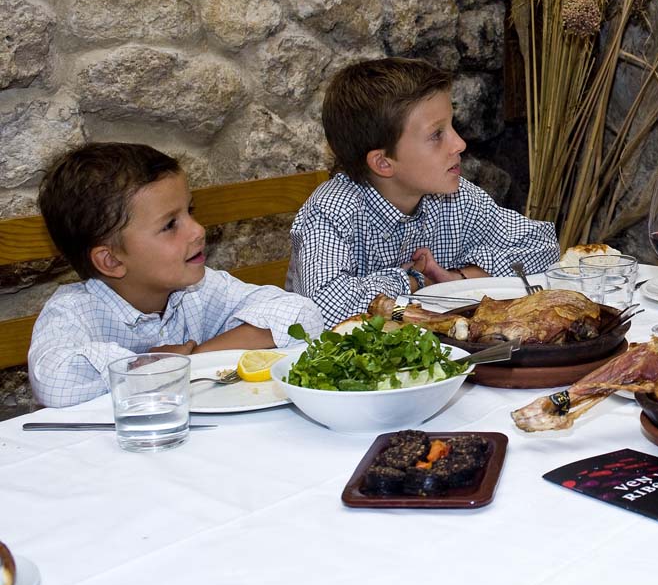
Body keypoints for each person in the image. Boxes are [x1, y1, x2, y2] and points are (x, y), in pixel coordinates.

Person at [28, 143, 322, 408]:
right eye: (170, 225)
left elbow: (301, 314)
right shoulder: (72, 312)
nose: (197, 230)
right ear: (111, 260)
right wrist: (151, 366)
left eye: (190, 212)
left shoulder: (198, 290)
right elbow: (56, 382)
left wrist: (190, 360)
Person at [287, 57, 559, 328]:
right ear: (383, 163)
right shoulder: (332, 212)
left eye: (452, 126)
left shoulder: (455, 198)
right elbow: (323, 309)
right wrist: (413, 281)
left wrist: (459, 278)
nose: (460, 144)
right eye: (436, 135)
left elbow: (542, 246)